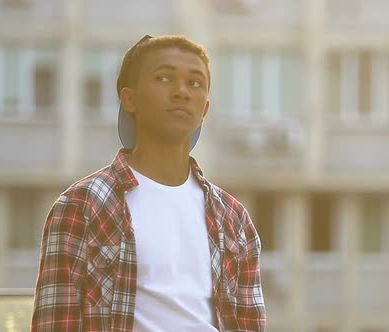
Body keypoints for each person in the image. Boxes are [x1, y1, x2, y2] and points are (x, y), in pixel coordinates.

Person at [30, 34, 266, 332]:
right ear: (129, 99)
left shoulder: (233, 219)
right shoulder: (82, 204)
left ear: (204, 109)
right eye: (164, 78)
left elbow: (248, 323)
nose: (182, 92)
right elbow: (54, 323)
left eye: (195, 83)